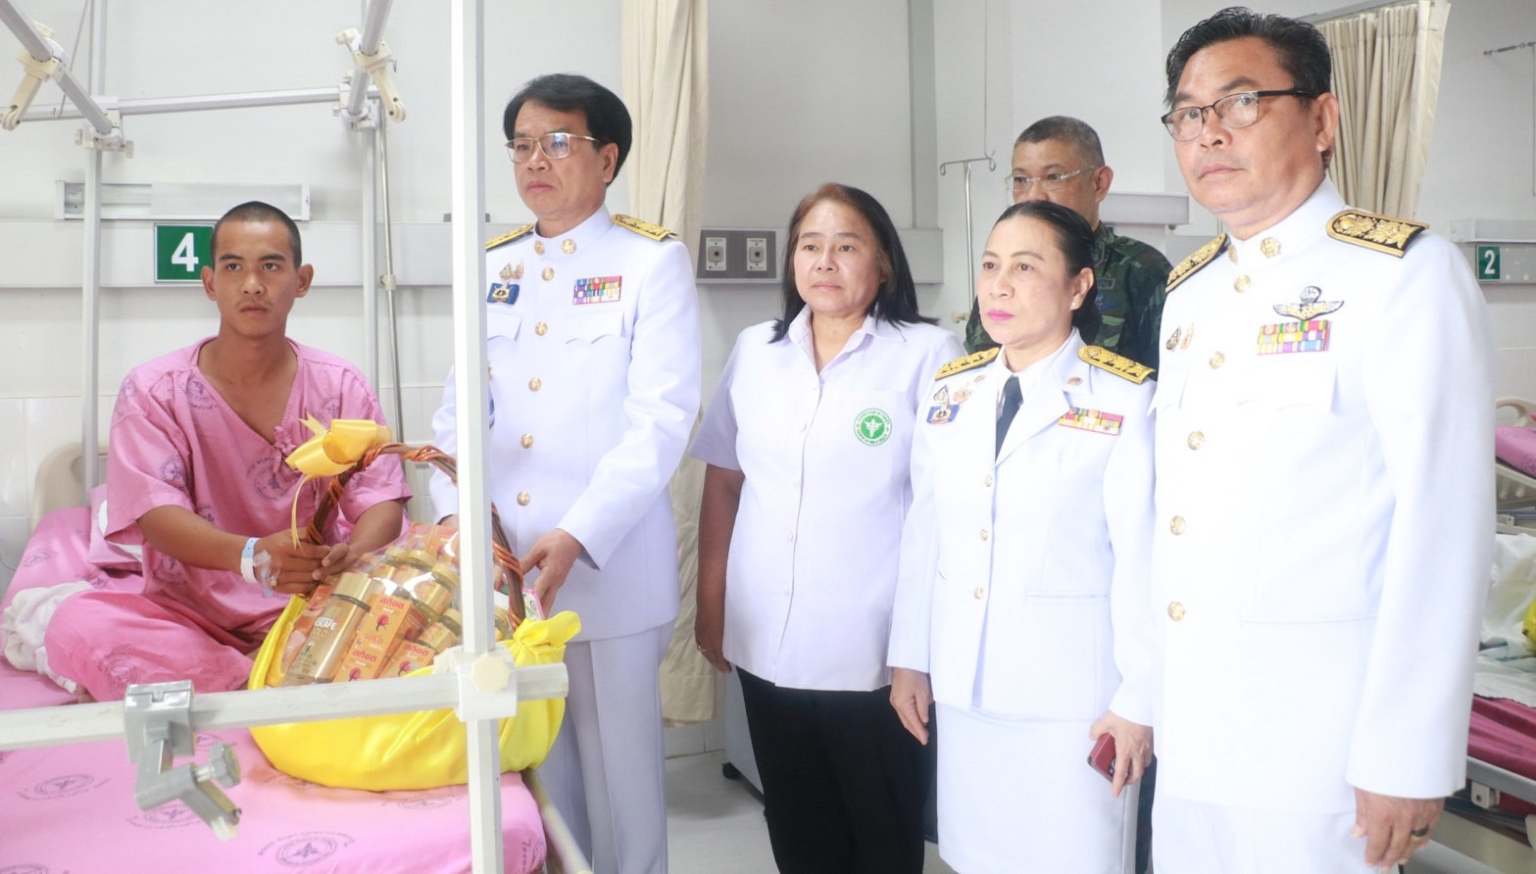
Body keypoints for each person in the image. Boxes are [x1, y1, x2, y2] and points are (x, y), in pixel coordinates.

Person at [1150, 6, 1494, 873]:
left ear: (1323, 118)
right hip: (1193, 735)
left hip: (1321, 748)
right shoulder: (1189, 294)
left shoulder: (1402, 276)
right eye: (1188, 113)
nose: (1209, 132)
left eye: (1241, 102)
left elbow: (1444, 528)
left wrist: (1408, 755)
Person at [429, 73, 699, 874]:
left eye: (556, 143)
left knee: (622, 787)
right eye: (521, 145)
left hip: (606, 571)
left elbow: (661, 421)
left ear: (606, 159)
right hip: (507, 569)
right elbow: (457, 416)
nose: (533, 161)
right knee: (539, 778)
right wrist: (458, 516)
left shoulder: (650, 261)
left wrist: (578, 532)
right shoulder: (493, 264)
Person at [691, 183, 962, 874]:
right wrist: (711, 597)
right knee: (797, 825)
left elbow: (943, 509)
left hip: (873, 651)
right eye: (810, 245)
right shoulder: (757, 350)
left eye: (846, 246)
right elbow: (724, 479)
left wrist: (918, 647)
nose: (825, 261)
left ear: (883, 264)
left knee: (882, 833)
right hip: (765, 640)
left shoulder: (928, 353)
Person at [43, 201, 410, 701]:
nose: (252, 284)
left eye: (271, 266)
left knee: (424, 614)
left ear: (301, 280)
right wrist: (251, 555)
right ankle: (259, 678)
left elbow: (380, 497)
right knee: (76, 623)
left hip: (317, 606)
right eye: (234, 267)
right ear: (210, 282)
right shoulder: (154, 392)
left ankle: (230, 681)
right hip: (190, 620)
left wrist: (352, 559)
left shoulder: (341, 385)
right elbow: (156, 514)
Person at [889, 199, 1156, 874]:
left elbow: (1145, 560)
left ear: (1078, 286)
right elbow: (926, 532)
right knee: (977, 856)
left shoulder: (1126, 400)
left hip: (1074, 702)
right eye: (990, 266)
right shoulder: (952, 393)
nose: (999, 286)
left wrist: (1139, 700)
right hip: (967, 685)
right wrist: (910, 658)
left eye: (1025, 267)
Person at [963, 117, 1170, 373]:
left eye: (1054, 177)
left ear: (1099, 183)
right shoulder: (1001, 281)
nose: (1034, 195)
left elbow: (1170, 377)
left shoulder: (1141, 270)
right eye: (1021, 180)